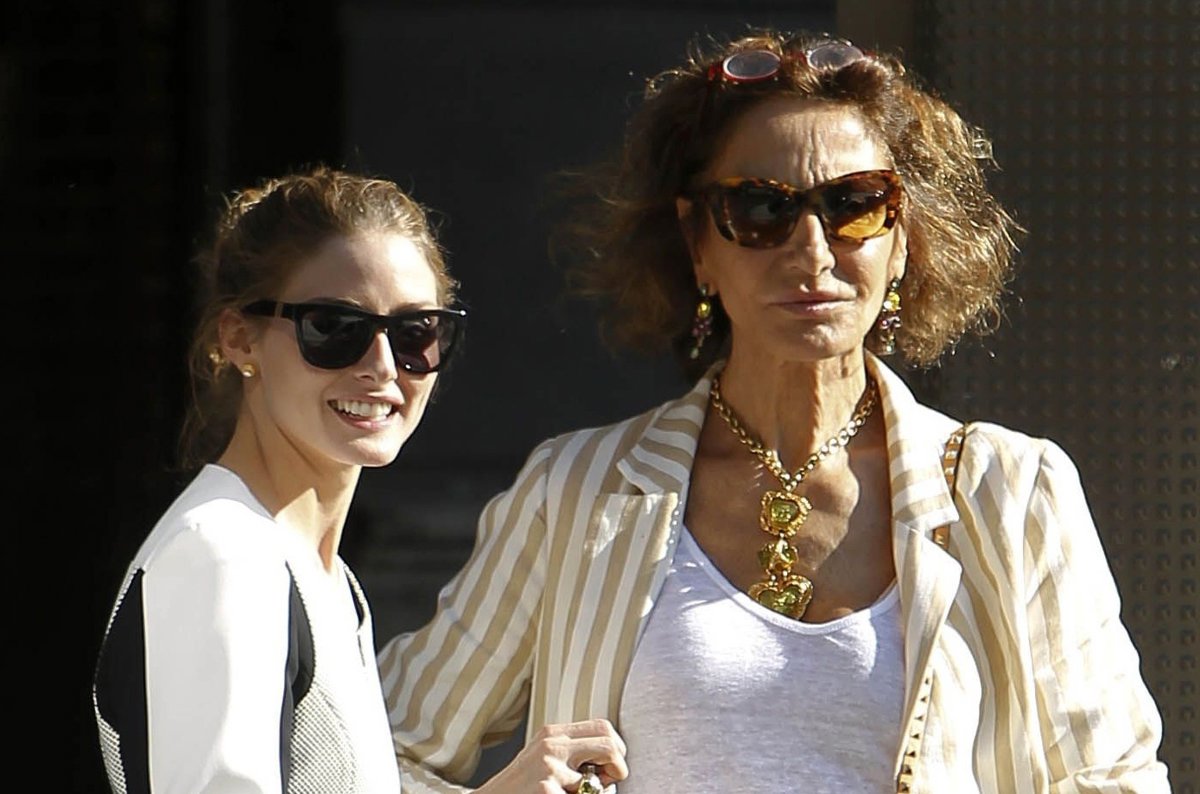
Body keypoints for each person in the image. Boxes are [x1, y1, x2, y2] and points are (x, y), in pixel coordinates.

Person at [376, 29, 1170, 793]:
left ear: (902, 239)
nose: (812, 251)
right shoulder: (577, 491)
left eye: (856, 205)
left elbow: (1114, 780)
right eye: (760, 209)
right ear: (698, 243)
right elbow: (380, 754)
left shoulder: (1011, 491)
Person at [92, 165, 466, 793]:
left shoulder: (318, 574)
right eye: (335, 328)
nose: (382, 366)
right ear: (240, 339)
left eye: (414, 334)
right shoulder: (225, 554)